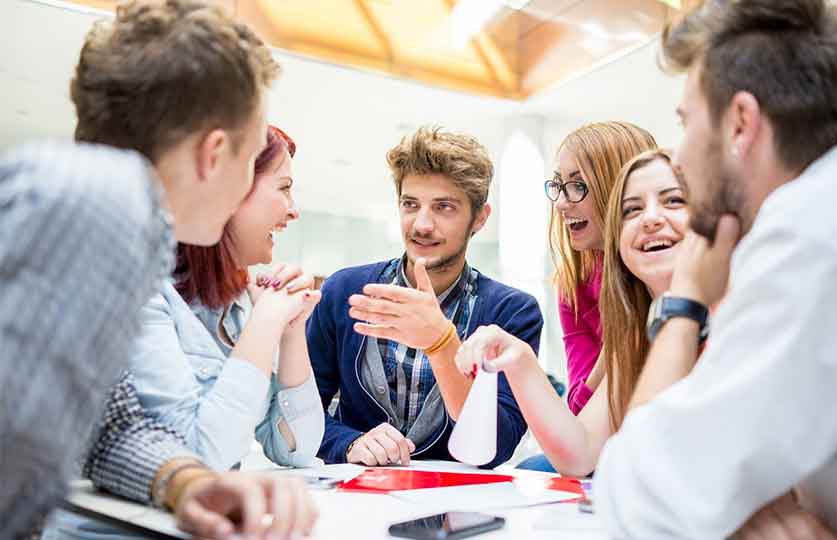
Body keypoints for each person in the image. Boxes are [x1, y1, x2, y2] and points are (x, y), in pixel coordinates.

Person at [1, 1, 317, 539]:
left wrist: (187, 482)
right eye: (249, 158)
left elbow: (113, 427)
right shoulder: (96, 202)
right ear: (213, 153)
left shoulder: (122, 224)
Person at [595, 0, 837, 538]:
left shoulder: (804, 233)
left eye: (686, 122)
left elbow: (634, 502)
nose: (678, 154)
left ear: (741, 123)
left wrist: (683, 304)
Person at [46, 126, 325, 539]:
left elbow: (298, 450)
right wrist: (266, 323)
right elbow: (199, 460)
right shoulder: (139, 289)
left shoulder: (236, 306)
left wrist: (290, 329)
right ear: (232, 191)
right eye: (283, 188)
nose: (292, 210)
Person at [308, 126, 542, 467]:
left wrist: (442, 343)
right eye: (410, 204)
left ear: (479, 218)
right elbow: (302, 412)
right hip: (356, 498)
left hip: (457, 508)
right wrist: (348, 442)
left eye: (443, 207)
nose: (421, 224)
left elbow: (497, 444)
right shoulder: (344, 291)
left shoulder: (513, 312)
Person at [455, 150, 692, 476]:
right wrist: (520, 359)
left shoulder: (739, 313)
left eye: (674, 201)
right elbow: (581, 453)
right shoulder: (635, 330)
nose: (650, 218)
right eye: (632, 210)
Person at [549, 122, 657, 417]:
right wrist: (616, 348)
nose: (560, 203)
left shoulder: (662, 273)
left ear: (618, 189)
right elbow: (577, 409)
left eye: (578, 185)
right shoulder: (574, 285)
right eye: (559, 185)